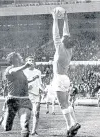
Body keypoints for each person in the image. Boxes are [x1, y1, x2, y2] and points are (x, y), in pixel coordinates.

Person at [51, 9, 81, 137]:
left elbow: (56, 33)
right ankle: (74, 122)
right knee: (67, 103)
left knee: (62, 104)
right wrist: (66, 19)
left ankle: (70, 126)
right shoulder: (70, 49)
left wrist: (55, 19)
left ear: (63, 40)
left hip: (58, 78)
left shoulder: (59, 46)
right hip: (65, 78)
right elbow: (66, 32)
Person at [0, 52, 33, 137]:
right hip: (13, 100)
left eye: (19, 58)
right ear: (12, 60)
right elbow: (13, 71)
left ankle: (4, 120)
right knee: (7, 127)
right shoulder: (9, 69)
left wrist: (31, 82)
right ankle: (2, 120)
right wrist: (26, 66)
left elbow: (22, 82)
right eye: (16, 58)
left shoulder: (22, 72)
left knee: (25, 124)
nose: (19, 60)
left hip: (25, 99)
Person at [23, 56, 45, 136]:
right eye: (29, 60)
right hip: (27, 95)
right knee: (27, 114)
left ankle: (34, 131)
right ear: (26, 62)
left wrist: (43, 90)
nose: (31, 62)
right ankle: (26, 130)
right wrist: (26, 86)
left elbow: (40, 83)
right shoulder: (24, 71)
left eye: (32, 60)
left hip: (36, 95)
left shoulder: (38, 72)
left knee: (36, 113)